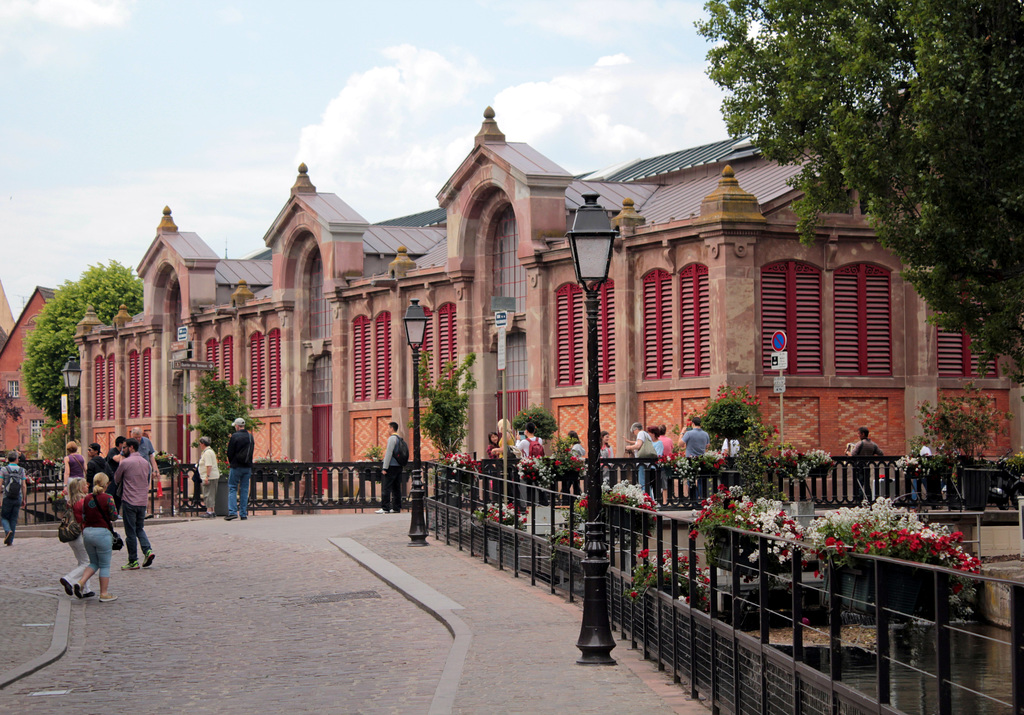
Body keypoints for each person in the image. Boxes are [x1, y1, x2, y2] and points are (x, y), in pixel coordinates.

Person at [74, 473, 118, 602]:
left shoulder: (87, 498)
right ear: (106, 484)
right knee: (104, 565)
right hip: (102, 532)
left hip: (87, 533)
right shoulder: (108, 498)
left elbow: (83, 516)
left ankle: (81, 582)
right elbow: (114, 516)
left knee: (93, 562)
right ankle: (104, 593)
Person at [113, 438, 155, 570]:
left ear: (131, 448)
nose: (122, 450)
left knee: (130, 531)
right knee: (139, 528)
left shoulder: (125, 462)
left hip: (129, 500)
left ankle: (133, 560)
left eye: (124, 447)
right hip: (142, 501)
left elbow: (116, 479)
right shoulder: (145, 463)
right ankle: (147, 550)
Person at [59, 477, 94, 598]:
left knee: (82, 561)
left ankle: (85, 588)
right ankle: (69, 579)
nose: (87, 487)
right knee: (89, 563)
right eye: (85, 485)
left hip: (73, 536)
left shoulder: (71, 501)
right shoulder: (83, 501)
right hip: (81, 534)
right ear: (80, 488)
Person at [225, 417, 254, 521]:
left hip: (236, 466)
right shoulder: (250, 436)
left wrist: (232, 461)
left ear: (237, 426)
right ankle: (243, 513)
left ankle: (232, 512)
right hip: (247, 467)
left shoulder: (235, 436)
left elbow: (230, 452)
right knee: (244, 490)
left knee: (232, 487)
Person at [850, 427, 884, 502]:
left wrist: (846, 452)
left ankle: (860, 502)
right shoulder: (873, 444)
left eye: (859, 433)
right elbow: (881, 453)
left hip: (859, 466)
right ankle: (869, 500)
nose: (858, 435)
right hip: (867, 466)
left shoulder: (860, 443)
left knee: (859, 485)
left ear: (863, 434)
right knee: (867, 485)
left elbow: (852, 455)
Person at [624, 422, 657, 500]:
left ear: (636, 429)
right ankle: (650, 499)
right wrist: (629, 442)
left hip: (642, 462)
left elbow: (638, 445)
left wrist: (629, 447)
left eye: (633, 431)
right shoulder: (646, 434)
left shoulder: (640, 433)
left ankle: (646, 500)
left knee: (642, 483)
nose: (634, 433)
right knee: (647, 483)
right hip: (647, 462)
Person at [377, 422, 404, 514]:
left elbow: (389, 453)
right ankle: (396, 507)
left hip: (391, 466)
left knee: (386, 487)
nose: (387, 430)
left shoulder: (392, 439)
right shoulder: (400, 439)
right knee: (396, 488)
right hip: (399, 466)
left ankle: (385, 507)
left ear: (392, 428)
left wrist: (385, 467)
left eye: (388, 428)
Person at [683, 417, 711, 500]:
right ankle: (701, 498)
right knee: (701, 479)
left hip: (690, 459)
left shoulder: (688, 433)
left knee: (691, 479)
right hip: (701, 459)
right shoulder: (706, 434)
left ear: (693, 424)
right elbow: (707, 445)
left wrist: (682, 432)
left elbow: (680, 444)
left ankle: (693, 498)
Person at [2, 451, 27, 546]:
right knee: (13, 518)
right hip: (18, 496)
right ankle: (10, 540)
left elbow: (0, 484)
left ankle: (7, 530)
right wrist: (24, 499)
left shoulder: (4, 469)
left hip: (7, 496)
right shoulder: (21, 470)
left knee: (4, 517)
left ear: (7, 459)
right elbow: (24, 485)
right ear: (17, 459)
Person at [198, 436, 219, 518]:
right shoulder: (209, 451)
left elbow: (209, 465)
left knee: (208, 494)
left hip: (210, 477)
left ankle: (209, 511)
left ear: (203, 444)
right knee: (211, 493)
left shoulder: (207, 453)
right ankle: (212, 510)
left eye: (200, 443)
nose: (200, 445)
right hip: (213, 476)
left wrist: (207, 476)